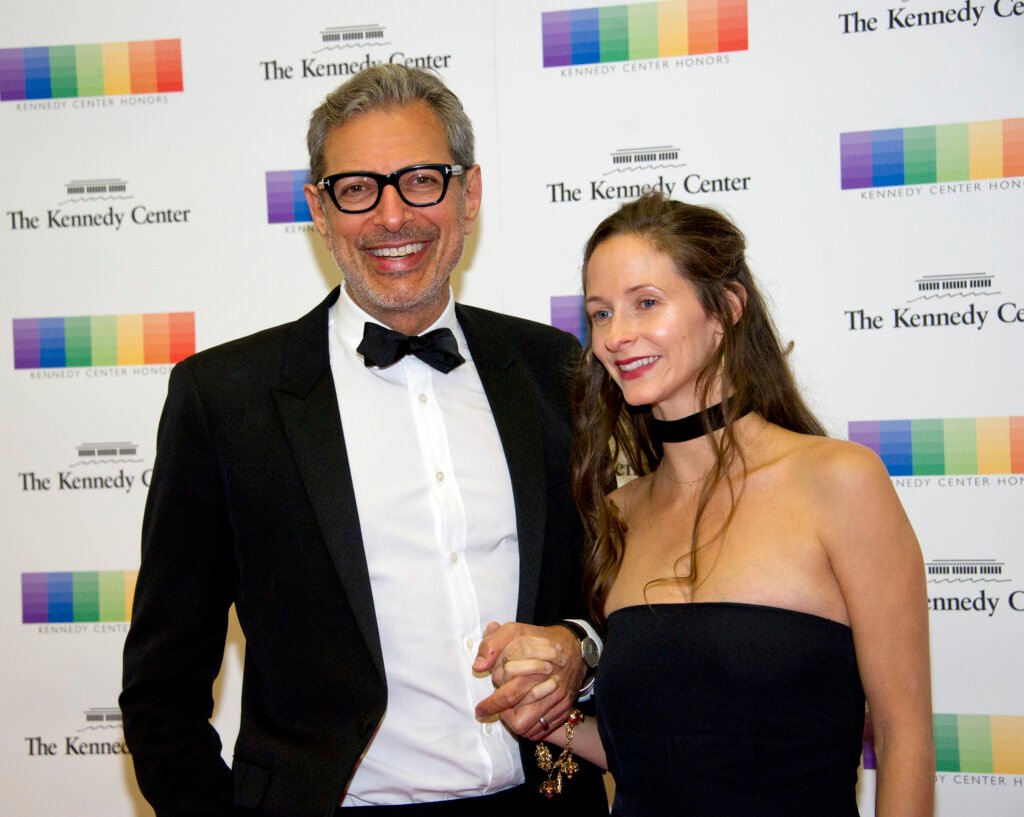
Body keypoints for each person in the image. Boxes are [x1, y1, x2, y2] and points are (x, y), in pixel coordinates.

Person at [119, 65, 608, 817]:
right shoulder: (225, 399)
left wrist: (581, 645)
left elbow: (617, 597)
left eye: (421, 180)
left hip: (542, 798)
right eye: (357, 188)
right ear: (319, 208)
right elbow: (162, 689)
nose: (391, 217)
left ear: (468, 194)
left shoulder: (556, 371)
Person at [487, 193, 934, 816]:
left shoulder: (839, 482)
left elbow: (903, 733)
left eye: (646, 303)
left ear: (725, 308)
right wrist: (546, 723)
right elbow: (652, 754)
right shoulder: (617, 514)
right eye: (600, 313)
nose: (617, 336)